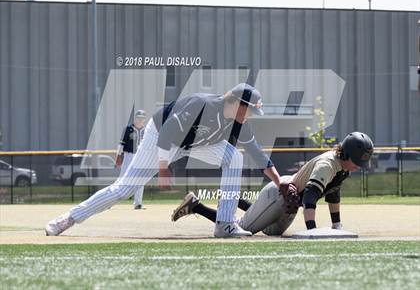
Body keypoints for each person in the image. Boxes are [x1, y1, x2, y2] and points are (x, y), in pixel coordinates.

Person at [45, 83, 291, 238]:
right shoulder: (203, 105)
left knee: (234, 157)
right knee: (125, 189)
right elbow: (168, 133)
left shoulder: (239, 124)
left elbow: (258, 154)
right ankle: (67, 219)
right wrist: (163, 167)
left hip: (193, 144)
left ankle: (225, 225)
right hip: (161, 136)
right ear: (236, 102)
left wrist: (279, 182)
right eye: (249, 109)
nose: (250, 115)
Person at [171, 132, 374, 235]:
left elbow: (332, 194)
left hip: (289, 203)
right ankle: (196, 205)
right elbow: (311, 196)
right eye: (357, 161)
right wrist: (312, 231)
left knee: (271, 232)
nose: (358, 166)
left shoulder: (343, 167)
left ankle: (232, 200)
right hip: (279, 196)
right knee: (238, 230)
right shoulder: (328, 164)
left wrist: (336, 225)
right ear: (346, 153)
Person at [115, 109, 147, 210]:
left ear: (144, 120)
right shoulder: (128, 129)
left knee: (140, 180)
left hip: (140, 157)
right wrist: (118, 156)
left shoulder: (146, 130)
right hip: (129, 156)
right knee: (122, 179)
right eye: (138, 118)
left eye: (142, 118)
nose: (140, 120)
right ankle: (108, 202)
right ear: (135, 118)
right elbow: (121, 144)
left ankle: (138, 203)